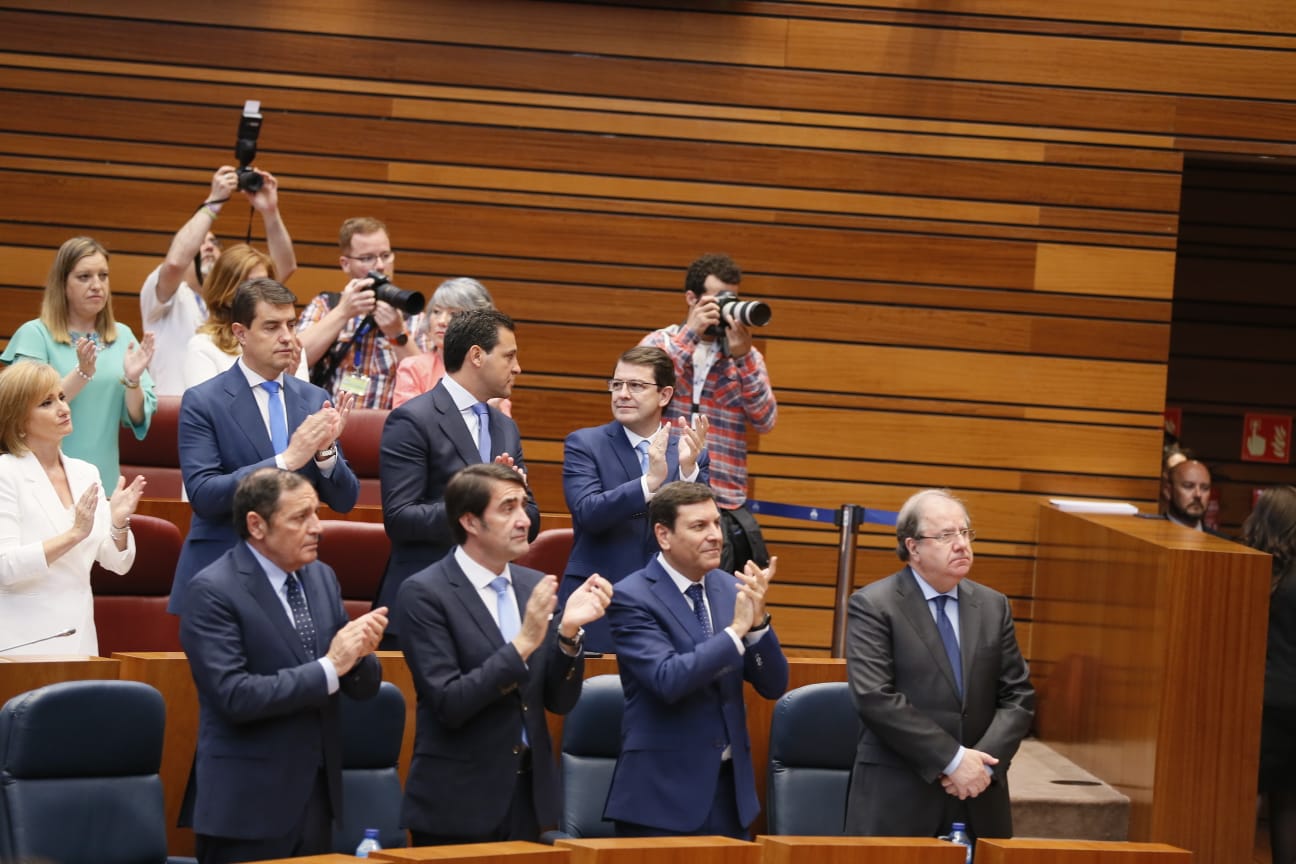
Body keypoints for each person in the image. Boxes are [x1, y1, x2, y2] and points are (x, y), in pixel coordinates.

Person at [395, 463, 613, 844]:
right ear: (470, 522)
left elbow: (558, 702)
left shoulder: (531, 586)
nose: (523, 520)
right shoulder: (425, 593)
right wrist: (525, 642)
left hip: (527, 796)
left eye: (524, 505)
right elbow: (449, 701)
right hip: (457, 803)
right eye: (507, 508)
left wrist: (567, 634)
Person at [180, 468, 386, 864]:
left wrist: (361, 656)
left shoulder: (321, 577)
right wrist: (332, 665)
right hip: (246, 805)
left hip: (316, 799)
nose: (317, 528)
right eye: (300, 517)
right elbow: (235, 696)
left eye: (316, 513)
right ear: (256, 525)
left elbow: (358, 684)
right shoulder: (213, 590)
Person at [844, 489, 1034, 841]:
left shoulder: (993, 606)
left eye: (965, 533)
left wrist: (982, 767)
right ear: (913, 547)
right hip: (900, 795)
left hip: (979, 795)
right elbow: (875, 697)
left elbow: (1018, 696)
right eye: (946, 536)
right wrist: (952, 760)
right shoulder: (873, 605)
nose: (961, 544)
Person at [604, 481, 788, 839]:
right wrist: (735, 632)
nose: (716, 536)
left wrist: (757, 625)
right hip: (661, 799)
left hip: (730, 797)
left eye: (716, 524)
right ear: (664, 535)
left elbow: (774, 684)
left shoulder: (727, 586)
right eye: (699, 526)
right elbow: (668, 678)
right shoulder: (631, 596)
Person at [171, 278, 359, 615]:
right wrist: (285, 461)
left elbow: (345, 500)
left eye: (290, 324)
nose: (287, 336)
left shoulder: (315, 399)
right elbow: (204, 495)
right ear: (241, 333)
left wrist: (325, 453)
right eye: (271, 326)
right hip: (221, 577)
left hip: (293, 578)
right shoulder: (204, 401)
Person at [378, 308, 538, 646]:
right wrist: (484, 503)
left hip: (494, 605)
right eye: (509, 356)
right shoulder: (412, 420)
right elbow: (400, 519)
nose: (517, 367)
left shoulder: (505, 427)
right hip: (427, 603)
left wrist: (513, 504)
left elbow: (532, 518)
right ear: (476, 356)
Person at [560, 345, 710, 652]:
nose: (622, 394)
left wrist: (687, 472)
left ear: (664, 395)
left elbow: (704, 534)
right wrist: (648, 483)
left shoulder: (689, 453)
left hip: (668, 608)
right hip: (599, 602)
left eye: (636, 386)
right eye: (617, 384)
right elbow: (588, 512)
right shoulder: (585, 443)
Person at [640, 252, 776, 572]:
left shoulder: (747, 356)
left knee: (718, 598)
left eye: (732, 299)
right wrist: (689, 336)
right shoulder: (659, 342)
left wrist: (743, 359)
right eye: (718, 298)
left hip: (721, 504)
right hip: (662, 493)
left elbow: (765, 420)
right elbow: (643, 393)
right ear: (691, 298)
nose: (725, 307)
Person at [0, 362, 145, 656]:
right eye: (46, 403)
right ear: (18, 421)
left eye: (62, 398)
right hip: (22, 645)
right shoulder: (5, 473)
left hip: (79, 638)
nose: (63, 409)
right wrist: (74, 534)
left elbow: (116, 562)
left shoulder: (86, 473)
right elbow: (5, 567)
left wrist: (118, 522)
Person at [2, 236, 157, 488]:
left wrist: (132, 380)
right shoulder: (35, 335)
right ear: (63, 284)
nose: (97, 285)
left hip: (101, 481)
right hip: (43, 480)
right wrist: (82, 373)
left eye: (103, 276)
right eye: (84, 277)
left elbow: (138, 417)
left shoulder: (123, 336)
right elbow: (25, 410)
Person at [141, 165, 295, 396]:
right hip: (173, 418)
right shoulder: (167, 296)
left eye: (215, 242)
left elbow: (284, 267)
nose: (209, 247)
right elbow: (175, 263)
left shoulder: (239, 301)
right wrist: (214, 201)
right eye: (200, 242)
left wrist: (270, 211)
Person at [296, 217, 427, 409]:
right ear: (345, 264)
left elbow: (427, 385)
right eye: (367, 258)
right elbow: (295, 359)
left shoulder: (413, 317)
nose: (380, 266)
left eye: (385, 255)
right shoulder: (326, 305)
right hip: (329, 428)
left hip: (389, 432)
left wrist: (398, 334)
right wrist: (343, 312)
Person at [1242, 486, 1296, 864]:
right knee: (1288, 803)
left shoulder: (1243, 569)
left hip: (1251, 701)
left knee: (1243, 802)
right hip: (1292, 704)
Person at [182, 245, 306, 388]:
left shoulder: (289, 344)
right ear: (225, 291)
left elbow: (306, 408)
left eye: (265, 284)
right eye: (248, 286)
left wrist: (287, 383)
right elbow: (206, 409)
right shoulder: (203, 346)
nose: (259, 294)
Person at [392, 277, 510, 413]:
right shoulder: (413, 368)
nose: (441, 321)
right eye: (436, 311)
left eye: (454, 314)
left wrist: (492, 415)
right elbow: (406, 426)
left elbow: (505, 431)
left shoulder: (490, 373)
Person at [1162, 458, 1227, 535]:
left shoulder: (1222, 543)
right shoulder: (1150, 537)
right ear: (1168, 491)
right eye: (1188, 486)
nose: (1198, 495)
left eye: (1205, 488)